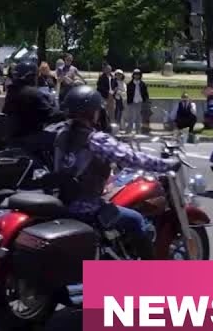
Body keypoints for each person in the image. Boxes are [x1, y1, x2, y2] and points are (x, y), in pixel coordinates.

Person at [53, 86, 179, 260]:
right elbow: (131, 158)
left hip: (62, 202)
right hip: (86, 208)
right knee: (136, 220)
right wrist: (167, 165)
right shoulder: (95, 139)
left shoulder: (61, 134)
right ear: (92, 112)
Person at [1, 59, 67, 161]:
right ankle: (56, 169)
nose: (37, 78)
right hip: (28, 137)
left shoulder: (12, 91)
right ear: (30, 76)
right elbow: (50, 115)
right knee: (60, 137)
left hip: (12, 136)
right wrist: (68, 113)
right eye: (36, 75)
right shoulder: (32, 93)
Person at [124, 69, 150, 134]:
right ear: (133, 75)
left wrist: (146, 101)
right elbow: (127, 93)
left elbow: (146, 94)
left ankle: (138, 131)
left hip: (139, 102)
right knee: (130, 117)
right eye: (135, 74)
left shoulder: (142, 84)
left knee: (138, 118)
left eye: (138, 75)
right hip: (131, 102)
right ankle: (128, 131)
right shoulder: (130, 84)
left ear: (140, 75)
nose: (137, 76)